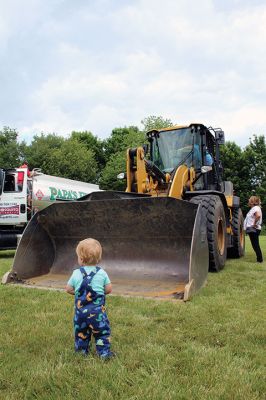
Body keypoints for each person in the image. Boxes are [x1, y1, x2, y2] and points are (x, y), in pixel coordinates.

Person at [65, 238, 115, 359]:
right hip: (97, 313)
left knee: (81, 333)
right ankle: (103, 353)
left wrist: (77, 293)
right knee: (102, 332)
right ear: (99, 258)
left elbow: (68, 289)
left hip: (80, 314)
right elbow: (108, 289)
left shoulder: (76, 273)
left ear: (81, 259)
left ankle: (82, 352)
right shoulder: (102, 273)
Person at [244, 196, 263, 263]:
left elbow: (258, 216)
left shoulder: (255, 208)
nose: (248, 200)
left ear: (252, 201)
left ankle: (259, 260)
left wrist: (254, 224)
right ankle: (259, 259)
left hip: (254, 229)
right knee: (255, 245)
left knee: (255, 245)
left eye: (249, 200)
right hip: (253, 229)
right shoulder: (254, 208)